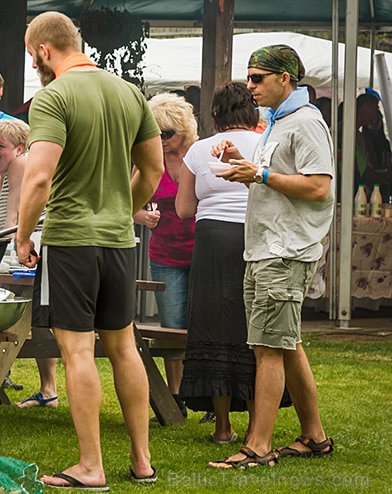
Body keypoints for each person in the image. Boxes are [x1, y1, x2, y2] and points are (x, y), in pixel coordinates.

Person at [16, 12, 163, 488]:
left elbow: (38, 176)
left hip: (71, 238)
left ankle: (91, 466)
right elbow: (155, 170)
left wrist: (23, 235)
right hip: (119, 240)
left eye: (29, 54)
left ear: (43, 50)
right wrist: (123, 212)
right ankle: (142, 461)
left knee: (77, 351)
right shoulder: (128, 92)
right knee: (124, 348)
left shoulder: (53, 96)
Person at [208, 44, 334, 469]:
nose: (249, 86)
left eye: (257, 78)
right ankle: (314, 436)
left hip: (284, 249)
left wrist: (259, 173)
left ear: (285, 79)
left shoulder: (306, 122)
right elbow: (275, 184)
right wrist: (244, 165)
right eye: (249, 77)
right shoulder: (277, 123)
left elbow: (319, 187)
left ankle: (258, 447)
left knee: (267, 347)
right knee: (286, 341)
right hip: (266, 246)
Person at [175, 82, 261, 444]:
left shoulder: (197, 150)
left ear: (215, 114)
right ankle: (258, 427)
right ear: (252, 112)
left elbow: (184, 208)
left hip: (210, 241)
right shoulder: (264, 144)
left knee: (213, 327)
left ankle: (223, 427)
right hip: (253, 236)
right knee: (254, 329)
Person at [134, 92, 198, 419]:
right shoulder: (150, 159)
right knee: (172, 325)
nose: (161, 140)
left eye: (167, 133)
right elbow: (129, 204)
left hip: (202, 251)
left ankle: (207, 392)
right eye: (156, 133)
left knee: (202, 322)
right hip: (165, 254)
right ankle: (177, 395)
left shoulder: (199, 155)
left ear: (184, 130)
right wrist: (142, 216)